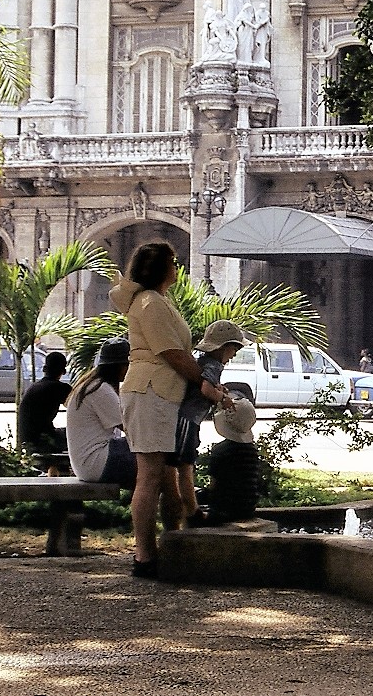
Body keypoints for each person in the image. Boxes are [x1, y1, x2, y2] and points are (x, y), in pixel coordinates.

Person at [110, 243, 231, 579]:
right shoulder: (150, 303)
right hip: (151, 391)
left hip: (158, 392)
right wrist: (204, 382)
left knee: (162, 474)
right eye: (173, 262)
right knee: (149, 477)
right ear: (161, 267)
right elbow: (172, 353)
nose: (177, 266)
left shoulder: (157, 301)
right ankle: (144, 555)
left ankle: (164, 545)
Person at [174, 320, 246, 527]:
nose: (233, 355)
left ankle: (190, 509)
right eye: (233, 349)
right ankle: (193, 512)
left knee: (184, 465)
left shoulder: (204, 361)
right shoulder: (213, 365)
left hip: (188, 419)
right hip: (189, 419)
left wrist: (218, 389)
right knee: (186, 466)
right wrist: (223, 399)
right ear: (223, 348)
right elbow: (206, 390)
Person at [66, 338, 138, 487]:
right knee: (153, 455)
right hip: (97, 462)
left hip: (89, 464)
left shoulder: (92, 385)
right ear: (120, 366)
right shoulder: (100, 390)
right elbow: (130, 428)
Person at [203, 397, 265, 524]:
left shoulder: (220, 450)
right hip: (247, 509)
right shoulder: (251, 450)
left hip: (223, 511)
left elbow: (214, 485)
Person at [17, 351, 71, 458]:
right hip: (42, 440)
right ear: (64, 371)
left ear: (44, 369)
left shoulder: (34, 387)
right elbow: (79, 406)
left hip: (27, 439)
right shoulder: (60, 388)